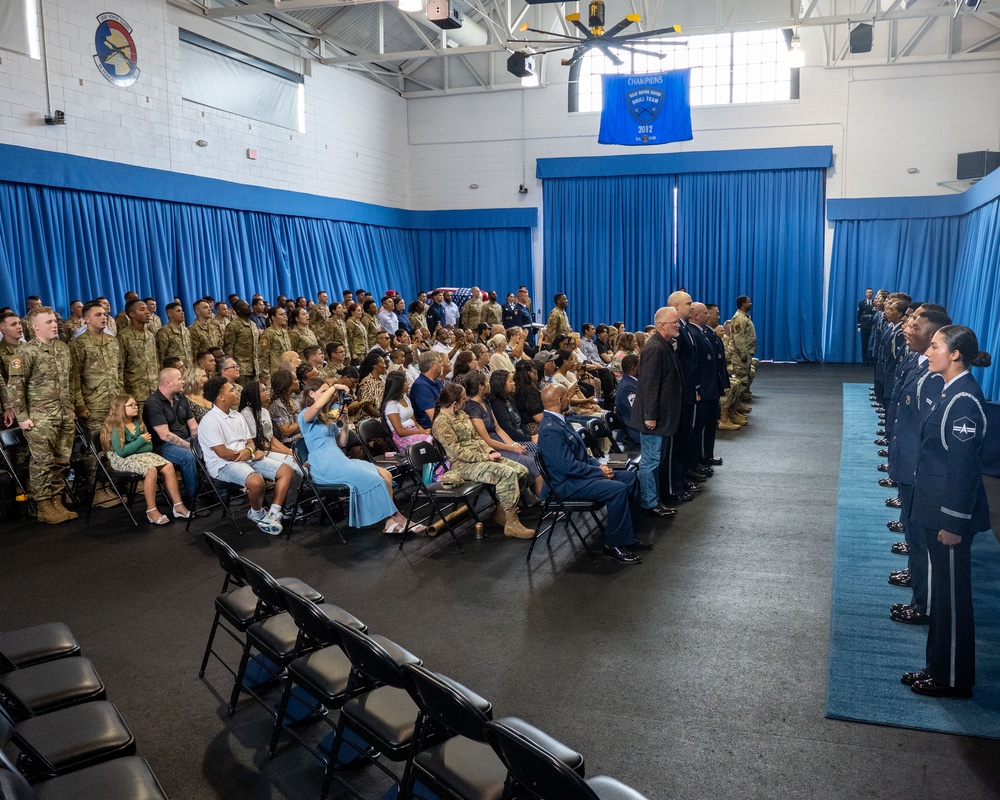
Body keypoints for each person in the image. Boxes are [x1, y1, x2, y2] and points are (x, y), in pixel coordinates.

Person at [899, 325, 991, 699]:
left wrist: (953, 521)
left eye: (936, 346)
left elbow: (964, 469)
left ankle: (952, 678)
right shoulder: (948, 392)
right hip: (935, 510)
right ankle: (938, 666)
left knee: (952, 601)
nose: (930, 351)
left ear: (955, 354)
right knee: (943, 597)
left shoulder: (963, 400)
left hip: (948, 517)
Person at [537, 384, 648, 564]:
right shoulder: (550, 428)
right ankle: (614, 545)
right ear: (559, 400)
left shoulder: (559, 420)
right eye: (567, 396)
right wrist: (598, 471)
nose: (569, 399)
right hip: (566, 484)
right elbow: (567, 467)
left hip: (578, 475)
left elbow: (580, 456)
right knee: (617, 489)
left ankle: (628, 536)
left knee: (628, 476)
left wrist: (600, 466)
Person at [298, 377, 424, 534]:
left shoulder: (326, 417)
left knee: (386, 475)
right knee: (375, 479)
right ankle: (395, 518)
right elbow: (317, 406)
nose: (329, 396)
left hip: (338, 459)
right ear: (311, 393)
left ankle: (390, 521)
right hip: (324, 464)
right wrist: (335, 387)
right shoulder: (305, 415)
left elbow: (343, 442)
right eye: (324, 392)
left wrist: (344, 421)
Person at [431, 382, 534, 539]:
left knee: (521, 470)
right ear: (454, 403)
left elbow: (477, 438)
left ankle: (501, 512)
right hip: (463, 466)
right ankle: (512, 523)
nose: (466, 401)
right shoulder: (442, 423)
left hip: (480, 458)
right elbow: (457, 452)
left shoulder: (462, 415)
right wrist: (486, 457)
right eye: (464, 399)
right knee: (507, 474)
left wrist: (490, 451)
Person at [6, 307, 77, 524]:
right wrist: (22, 416)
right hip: (40, 418)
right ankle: (43, 505)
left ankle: (56, 500)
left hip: (64, 414)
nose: (54, 324)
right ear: (35, 326)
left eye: (54, 320)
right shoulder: (25, 353)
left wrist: (72, 409)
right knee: (43, 462)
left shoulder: (63, 348)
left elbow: (70, 381)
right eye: (48, 322)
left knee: (61, 461)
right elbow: (15, 386)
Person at [199, 377, 291, 536]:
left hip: (246, 457)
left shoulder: (237, 415)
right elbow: (221, 452)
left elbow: (250, 441)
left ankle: (273, 513)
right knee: (256, 483)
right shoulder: (209, 421)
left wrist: (249, 452)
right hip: (223, 465)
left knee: (286, 470)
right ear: (221, 397)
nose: (236, 393)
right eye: (232, 390)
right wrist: (248, 453)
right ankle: (257, 514)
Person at [101, 394, 190, 524]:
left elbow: (149, 446)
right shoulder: (115, 426)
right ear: (120, 408)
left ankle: (178, 505)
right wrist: (140, 440)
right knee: (151, 470)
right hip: (121, 459)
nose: (135, 407)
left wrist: (136, 445)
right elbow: (121, 451)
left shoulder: (138, 422)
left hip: (140, 455)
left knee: (168, 466)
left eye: (136, 404)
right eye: (130, 405)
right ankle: (151, 510)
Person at [632, 306, 682, 517]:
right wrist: (650, 416)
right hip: (654, 417)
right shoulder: (655, 348)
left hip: (661, 415)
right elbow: (649, 385)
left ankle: (653, 499)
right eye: (674, 323)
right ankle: (649, 503)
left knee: (655, 460)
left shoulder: (664, 344)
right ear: (663, 325)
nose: (678, 325)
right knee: (651, 461)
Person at [463, 370, 542, 500]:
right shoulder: (472, 409)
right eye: (487, 381)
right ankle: (542, 499)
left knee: (536, 456)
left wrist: (514, 444)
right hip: (493, 448)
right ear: (481, 387)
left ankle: (536, 495)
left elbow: (498, 429)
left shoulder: (485, 403)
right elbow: (486, 440)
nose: (489, 384)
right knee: (532, 462)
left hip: (502, 442)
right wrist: (512, 448)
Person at [144, 367, 199, 504]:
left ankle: (219, 491)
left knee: (210, 448)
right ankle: (195, 500)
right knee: (189, 456)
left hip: (185, 439)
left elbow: (193, 425)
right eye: (179, 379)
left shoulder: (181, 399)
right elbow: (164, 435)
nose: (183, 381)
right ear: (168, 383)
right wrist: (191, 446)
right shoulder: (153, 403)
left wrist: (198, 441)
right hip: (163, 446)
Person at [238, 380, 301, 481]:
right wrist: (288, 453)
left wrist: (290, 452)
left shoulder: (265, 412)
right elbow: (260, 444)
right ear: (254, 394)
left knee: (300, 458)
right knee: (296, 464)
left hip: (269, 448)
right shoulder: (246, 413)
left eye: (267, 389)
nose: (267, 393)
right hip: (260, 451)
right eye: (263, 391)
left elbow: (271, 438)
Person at [117, 298, 158, 417]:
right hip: (135, 394)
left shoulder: (150, 336)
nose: (147, 312)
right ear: (132, 314)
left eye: (146, 309)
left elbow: (156, 362)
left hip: (154, 393)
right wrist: (123, 395)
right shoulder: (123, 337)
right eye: (142, 309)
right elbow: (120, 368)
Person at [380, 370, 434, 451]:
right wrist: (420, 433)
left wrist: (423, 430)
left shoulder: (405, 398)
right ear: (398, 385)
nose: (408, 383)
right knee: (431, 442)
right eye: (405, 381)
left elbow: (414, 421)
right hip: (403, 439)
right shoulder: (391, 405)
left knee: (438, 438)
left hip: (414, 432)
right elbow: (400, 432)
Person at [488, 369, 537, 446]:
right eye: (510, 381)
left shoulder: (510, 400)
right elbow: (509, 431)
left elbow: (521, 424)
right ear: (501, 384)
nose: (514, 383)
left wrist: (531, 436)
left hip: (523, 437)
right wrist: (530, 439)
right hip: (513, 441)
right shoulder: (497, 404)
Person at [223, 299, 261, 382]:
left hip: (255, 369)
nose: (248, 306)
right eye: (244, 305)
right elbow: (228, 349)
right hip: (241, 370)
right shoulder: (233, 325)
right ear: (238, 310)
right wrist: (232, 369)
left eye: (248, 304)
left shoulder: (253, 324)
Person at [409, 350, 445, 429]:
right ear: (433, 366)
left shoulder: (437, 382)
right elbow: (434, 417)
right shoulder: (421, 387)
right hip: (431, 428)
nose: (442, 364)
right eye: (440, 362)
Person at [268, 368, 302, 448]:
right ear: (289, 385)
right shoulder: (277, 406)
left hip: (301, 439)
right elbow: (287, 431)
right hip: (289, 444)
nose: (298, 381)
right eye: (295, 380)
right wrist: (305, 419)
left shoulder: (295, 399)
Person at [614, 354, 642, 446]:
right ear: (634, 367)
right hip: (637, 431)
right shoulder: (628, 387)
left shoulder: (630, 383)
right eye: (640, 364)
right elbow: (636, 412)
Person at [259, 306, 292, 385]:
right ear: (273, 317)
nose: (284, 317)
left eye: (285, 314)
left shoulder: (285, 332)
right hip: (275, 372)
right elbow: (263, 356)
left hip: (287, 371)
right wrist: (267, 376)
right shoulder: (268, 333)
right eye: (281, 314)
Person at [155, 301, 192, 366]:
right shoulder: (164, 332)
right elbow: (161, 355)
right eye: (178, 311)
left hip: (188, 369)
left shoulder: (186, 330)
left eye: (182, 311)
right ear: (170, 314)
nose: (182, 313)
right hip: (173, 370)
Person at [354, 351, 387, 422]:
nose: (385, 366)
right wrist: (383, 417)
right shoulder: (367, 383)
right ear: (375, 366)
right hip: (368, 420)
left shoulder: (382, 381)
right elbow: (368, 408)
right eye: (383, 363)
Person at [857, 288, 876, 366]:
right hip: (864, 325)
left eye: (871, 292)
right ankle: (865, 360)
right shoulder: (862, 303)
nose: (869, 294)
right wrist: (859, 325)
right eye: (868, 292)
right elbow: (859, 315)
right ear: (865, 294)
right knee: (864, 344)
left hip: (872, 325)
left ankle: (871, 360)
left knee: (872, 344)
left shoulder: (875, 303)